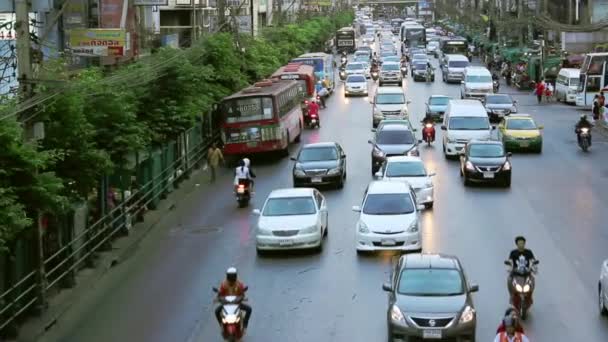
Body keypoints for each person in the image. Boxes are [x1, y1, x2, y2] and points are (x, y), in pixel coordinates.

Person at [214, 267, 252, 332]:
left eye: (233, 276)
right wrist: (218, 298)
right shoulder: (224, 285)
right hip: (226, 304)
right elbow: (220, 293)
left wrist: (243, 298)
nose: (231, 278)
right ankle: (221, 325)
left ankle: (245, 325)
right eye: (230, 276)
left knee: (249, 309)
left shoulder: (239, 284)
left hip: (237, 304)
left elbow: (242, 294)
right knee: (216, 311)